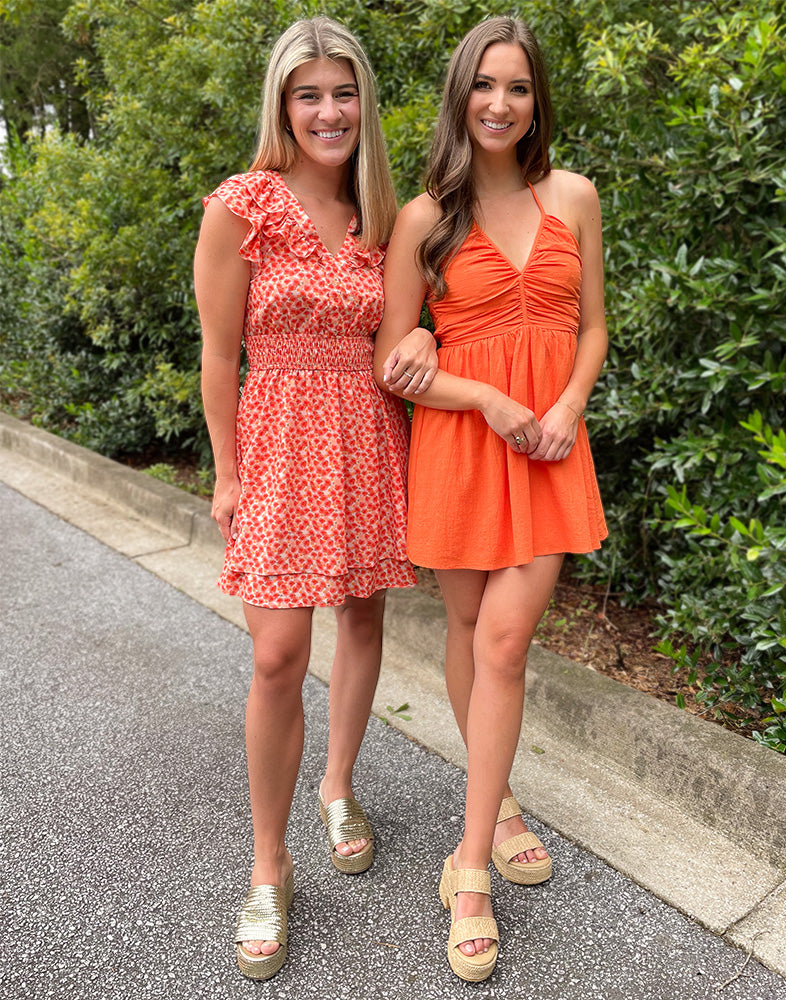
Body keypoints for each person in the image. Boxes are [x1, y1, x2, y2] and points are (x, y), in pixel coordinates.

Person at [194, 17, 436, 981]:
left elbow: (407, 330)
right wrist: (228, 472)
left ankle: (338, 786)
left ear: (362, 104)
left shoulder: (385, 217)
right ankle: (270, 864)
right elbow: (219, 355)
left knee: (363, 619)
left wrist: (425, 343)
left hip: (369, 438)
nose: (329, 112)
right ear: (283, 105)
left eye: (343, 94)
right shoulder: (242, 205)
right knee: (277, 655)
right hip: (278, 446)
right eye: (309, 95)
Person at [375, 16, 608, 982]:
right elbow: (394, 360)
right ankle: (499, 803)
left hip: (549, 447)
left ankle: (467, 871)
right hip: (464, 449)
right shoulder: (424, 218)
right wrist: (482, 394)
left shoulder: (575, 196)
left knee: (504, 643)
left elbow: (592, 328)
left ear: (536, 101)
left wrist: (566, 405)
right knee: (469, 632)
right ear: (460, 95)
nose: (500, 103)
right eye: (484, 85)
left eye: (517, 87)